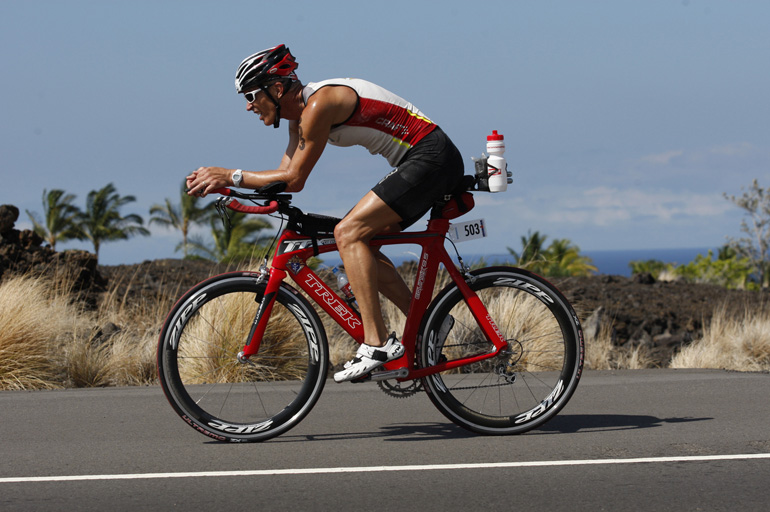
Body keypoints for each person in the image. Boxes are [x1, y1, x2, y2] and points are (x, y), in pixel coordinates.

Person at [186, 44, 464, 383]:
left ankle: (376, 343)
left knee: (348, 233)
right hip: (419, 161)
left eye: (251, 95)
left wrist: (229, 174)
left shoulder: (319, 104)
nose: (248, 106)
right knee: (362, 243)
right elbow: (285, 179)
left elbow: (293, 178)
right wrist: (228, 187)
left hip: (431, 157)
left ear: (276, 89)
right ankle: (428, 322)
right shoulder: (297, 119)